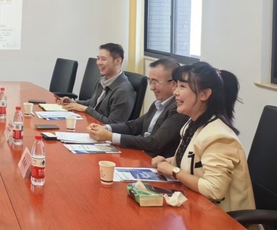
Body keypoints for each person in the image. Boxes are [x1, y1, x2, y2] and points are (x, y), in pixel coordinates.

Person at [152, 62, 255, 213]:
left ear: (204, 94)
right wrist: (167, 162)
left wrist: (174, 170)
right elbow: (194, 161)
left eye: (182, 86)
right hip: (196, 208)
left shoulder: (219, 137)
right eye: (176, 85)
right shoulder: (193, 123)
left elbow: (214, 190)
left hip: (225, 220)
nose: (175, 92)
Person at [88, 58, 189, 156]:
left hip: (155, 161)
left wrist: (111, 137)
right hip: (141, 155)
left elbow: (155, 143)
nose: (151, 87)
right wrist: (106, 127)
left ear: (173, 84)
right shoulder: (157, 104)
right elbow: (133, 126)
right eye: (150, 81)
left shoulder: (178, 110)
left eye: (155, 82)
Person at [57, 43, 135, 124]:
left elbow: (113, 123)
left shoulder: (123, 91)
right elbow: (93, 102)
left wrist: (85, 109)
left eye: (103, 59)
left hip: (101, 130)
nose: (98, 62)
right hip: (92, 124)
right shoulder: (101, 81)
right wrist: (74, 102)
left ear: (118, 61)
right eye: (98, 59)